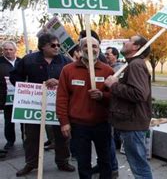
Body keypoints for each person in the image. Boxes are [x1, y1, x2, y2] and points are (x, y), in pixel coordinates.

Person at [9, 33, 75, 176]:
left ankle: (63, 161)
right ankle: (31, 163)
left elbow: (73, 80)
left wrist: (59, 82)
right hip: (34, 104)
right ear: (43, 46)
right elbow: (15, 76)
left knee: (62, 134)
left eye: (58, 45)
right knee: (31, 136)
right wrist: (27, 88)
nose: (57, 47)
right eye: (53, 45)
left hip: (58, 104)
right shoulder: (29, 60)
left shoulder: (65, 61)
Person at [56, 37, 114, 179]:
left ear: (98, 49)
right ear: (80, 50)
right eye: (87, 46)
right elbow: (62, 98)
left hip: (102, 123)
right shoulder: (68, 70)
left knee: (105, 160)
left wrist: (102, 96)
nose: (91, 49)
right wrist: (64, 122)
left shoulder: (107, 70)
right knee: (83, 161)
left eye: (94, 46)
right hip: (79, 125)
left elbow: (115, 98)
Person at [105, 35, 152, 179]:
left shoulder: (136, 64)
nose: (125, 41)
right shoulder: (131, 64)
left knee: (139, 165)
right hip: (132, 122)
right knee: (138, 162)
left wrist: (114, 85)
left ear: (136, 47)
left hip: (134, 124)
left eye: (129, 40)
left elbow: (139, 94)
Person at [0, 41, 20, 157]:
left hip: (21, 97)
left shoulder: (21, 62)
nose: (8, 51)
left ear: (15, 50)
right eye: (5, 49)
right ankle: (10, 141)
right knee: (8, 120)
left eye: (10, 49)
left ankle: (25, 138)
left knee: (23, 121)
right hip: (6, 97)